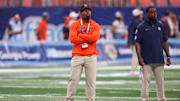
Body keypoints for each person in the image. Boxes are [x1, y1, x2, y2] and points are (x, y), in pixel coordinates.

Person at [135, 6, 171, 101]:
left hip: (159, 59)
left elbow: (165, 41)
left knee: (160, 82)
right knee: (145, 82)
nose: (154, 14)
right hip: (146, 60)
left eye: (155, 12)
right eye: (151, 12)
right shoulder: (141, 27)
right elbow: (137, 43)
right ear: (147, 14)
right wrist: (139, 57)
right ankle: (144, 99)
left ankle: (162, 99)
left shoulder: (161, 25)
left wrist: (168, 56)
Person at [66, 4, 100, 101]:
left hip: (91, 56)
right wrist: (87, 38)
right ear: (80, 13)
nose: (87, 12)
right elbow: (72, 39)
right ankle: (69, 98)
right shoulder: (74, 24)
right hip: (77, 56)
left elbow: (94, 38)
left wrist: (81, 35)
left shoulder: (95, 25)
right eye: (85, 11)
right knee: (73, 79)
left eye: (89, 10)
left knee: (91, 81)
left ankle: (90, 99)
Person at [127, 8, 143, 76]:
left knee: (136, 55)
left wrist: (128, 41)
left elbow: (129, 33)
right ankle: (134, 70)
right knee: (136, 56)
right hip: (136, 41)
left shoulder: (132, 21)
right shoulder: (137, 22)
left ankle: (135, 69)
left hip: (133, 41)